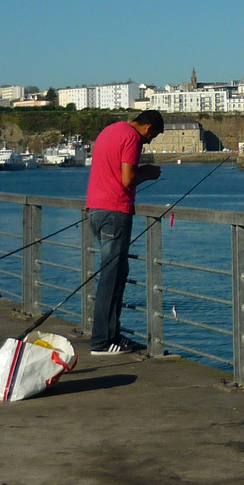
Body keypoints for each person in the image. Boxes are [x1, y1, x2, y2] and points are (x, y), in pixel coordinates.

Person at [84, 111, 164, 355]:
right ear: (148, 127)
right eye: (153, 136)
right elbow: (127, 178)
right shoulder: (131, 138)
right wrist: (148, 172)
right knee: (111, 277)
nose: (149, 142)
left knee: (116, 274)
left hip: (95, 210)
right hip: (115, 212)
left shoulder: (109, 131)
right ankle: (101, 341)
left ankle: (112, 336)